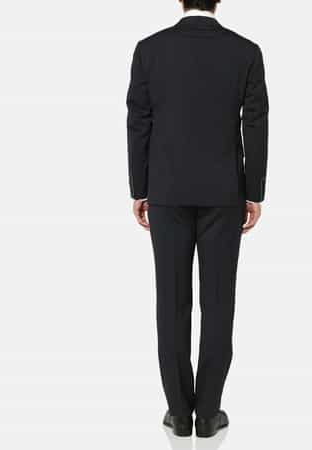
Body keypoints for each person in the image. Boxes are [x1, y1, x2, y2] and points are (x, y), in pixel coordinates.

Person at [126, 0, 268, 438]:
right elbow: (255, 123)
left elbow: (138, 121)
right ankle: (208, 412)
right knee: (219, 301)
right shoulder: (245, 51)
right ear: (217, 1)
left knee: (171, 301)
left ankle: (177, 411)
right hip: (224, 194)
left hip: (166, 193)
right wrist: (254, 192)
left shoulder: (150, 50)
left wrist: (139, 188)